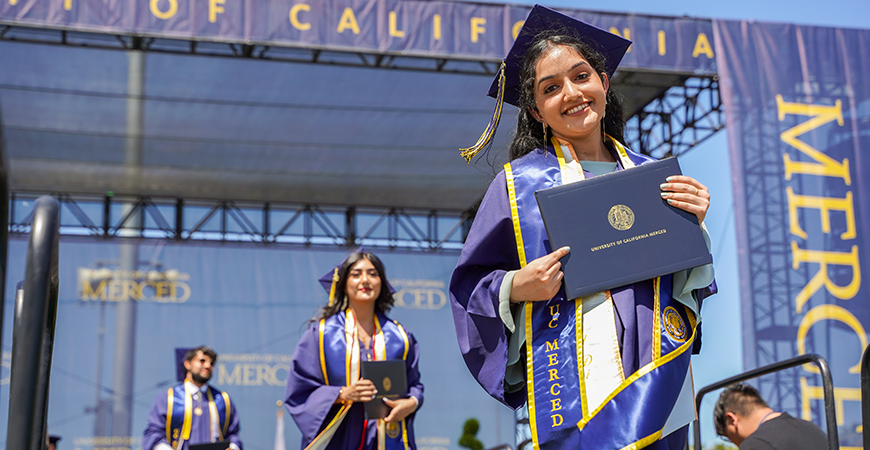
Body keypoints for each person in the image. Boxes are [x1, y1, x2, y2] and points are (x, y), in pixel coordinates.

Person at [449, 5, 717, 450]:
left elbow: (688, 283)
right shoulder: (518, 186)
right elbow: (471, 286)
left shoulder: (652, 177)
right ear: (536, 110)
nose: (571, 93)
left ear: (604, 83)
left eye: (581, 76)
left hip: (654, 364)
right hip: (574, 373)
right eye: (551, 88)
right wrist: (516, 286)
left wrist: (694, 223)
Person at [285, 251, 424, 450]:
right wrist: (342, 393)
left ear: (382, 283)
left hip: (385, 436)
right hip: (340, 438)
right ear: (343, 284)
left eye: (373, 274)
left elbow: (414, 385)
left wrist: (411, 403)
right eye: (356, 274)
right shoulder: (322, 335)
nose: (365, 280)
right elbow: (300, 390)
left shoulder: (400, 336)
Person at [143, 346, 242, 450]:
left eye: (211, 363)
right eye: (202, 361)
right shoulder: (168, 398)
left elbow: (232, 434)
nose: (208, 365)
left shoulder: (222, 399)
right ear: (188, 364)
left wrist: (233, 447)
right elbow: (154, 433)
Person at [714, 384, 828, 449]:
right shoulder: (814, 430)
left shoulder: (755, 444)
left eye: (729, 438)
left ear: (732, 420)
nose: (736, 445)